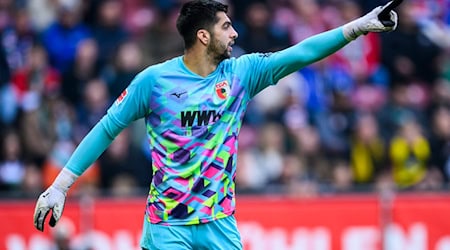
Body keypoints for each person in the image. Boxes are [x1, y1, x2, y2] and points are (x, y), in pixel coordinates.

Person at [33, 1, 398, 249]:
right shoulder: (154, 81)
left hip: (219, 222)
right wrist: (61, 186)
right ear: (203, 36)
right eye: (226, 27)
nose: (235, 33)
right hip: (167, 225)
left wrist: (359, 27)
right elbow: (107, 128)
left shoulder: (242, 73)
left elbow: (300, 53)